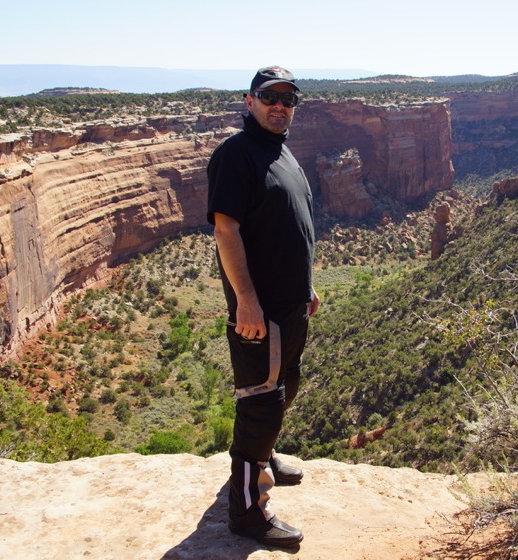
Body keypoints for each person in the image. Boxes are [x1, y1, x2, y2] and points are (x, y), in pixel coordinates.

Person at [206, 66, 319, 549]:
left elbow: (293, 223)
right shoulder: (236, 154)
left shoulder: (281, 150)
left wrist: (308, 285)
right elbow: (225, 230)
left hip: (292, 305)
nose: (280, 106)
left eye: (288, 99)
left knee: (285, 385)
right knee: (260, 404)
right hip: (262, 313)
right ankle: (248, 515)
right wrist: (246, 302)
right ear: (249, 100)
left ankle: (264, 457)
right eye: (270, 96)